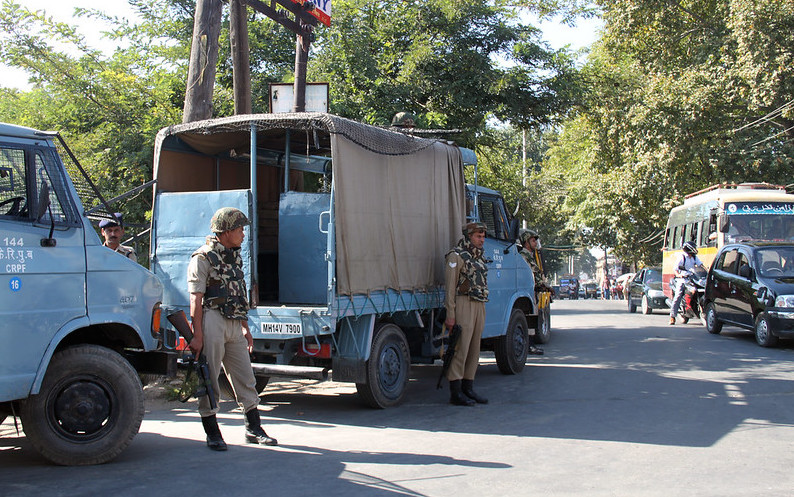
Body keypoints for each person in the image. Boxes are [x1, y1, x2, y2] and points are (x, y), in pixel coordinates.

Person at [187, 207, 277, 451]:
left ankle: (253, 428)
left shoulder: (233, 256)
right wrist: (197, 335)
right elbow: (196, 298)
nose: (243, 234)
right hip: (211, 320)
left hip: (234, 323)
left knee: (245, 377)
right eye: (239, 229)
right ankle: (212, 432)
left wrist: (245, 326)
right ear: (225, 231)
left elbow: (238, 294)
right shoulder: (202, 258)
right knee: (210, 378)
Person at [444, 222, 489, 406]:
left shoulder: (479, 257)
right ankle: (455, 392)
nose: (481, 240)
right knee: (460, 348)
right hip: (463, 304)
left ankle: (468, 388)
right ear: (469, 236)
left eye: (483, 236)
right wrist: (450, 314)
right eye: (478, 236)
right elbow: (450, 288)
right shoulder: (456, 256)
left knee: (474, 349)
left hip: (479, 305)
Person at [518, 229, 551, 355]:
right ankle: (529, 346)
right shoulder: (523, 256)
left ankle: (530, 345)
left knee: (532, 320)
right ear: (526, 242)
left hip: (533, 291)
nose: (535, 243)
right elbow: (530, 274)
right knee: (529, 320)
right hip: (528, 291)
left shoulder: (529, 256)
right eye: (533, 240)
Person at [669, 241, 704, 325]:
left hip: (692, 278)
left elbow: (700, 265)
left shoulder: (694, 257)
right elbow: (675, 268)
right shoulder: (682, 257)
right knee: (678, 296)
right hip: (682, 279)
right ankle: (672, 316)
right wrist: (679, 275)